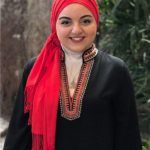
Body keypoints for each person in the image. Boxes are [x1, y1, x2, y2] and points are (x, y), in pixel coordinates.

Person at [3, 0, 142, 150]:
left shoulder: (116, 70)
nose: (76, 30)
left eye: (86, 21)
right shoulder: (36, 69)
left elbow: (128, 138)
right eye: (66, 22)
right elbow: (18, 136)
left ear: (96, 22)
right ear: (54, 24)